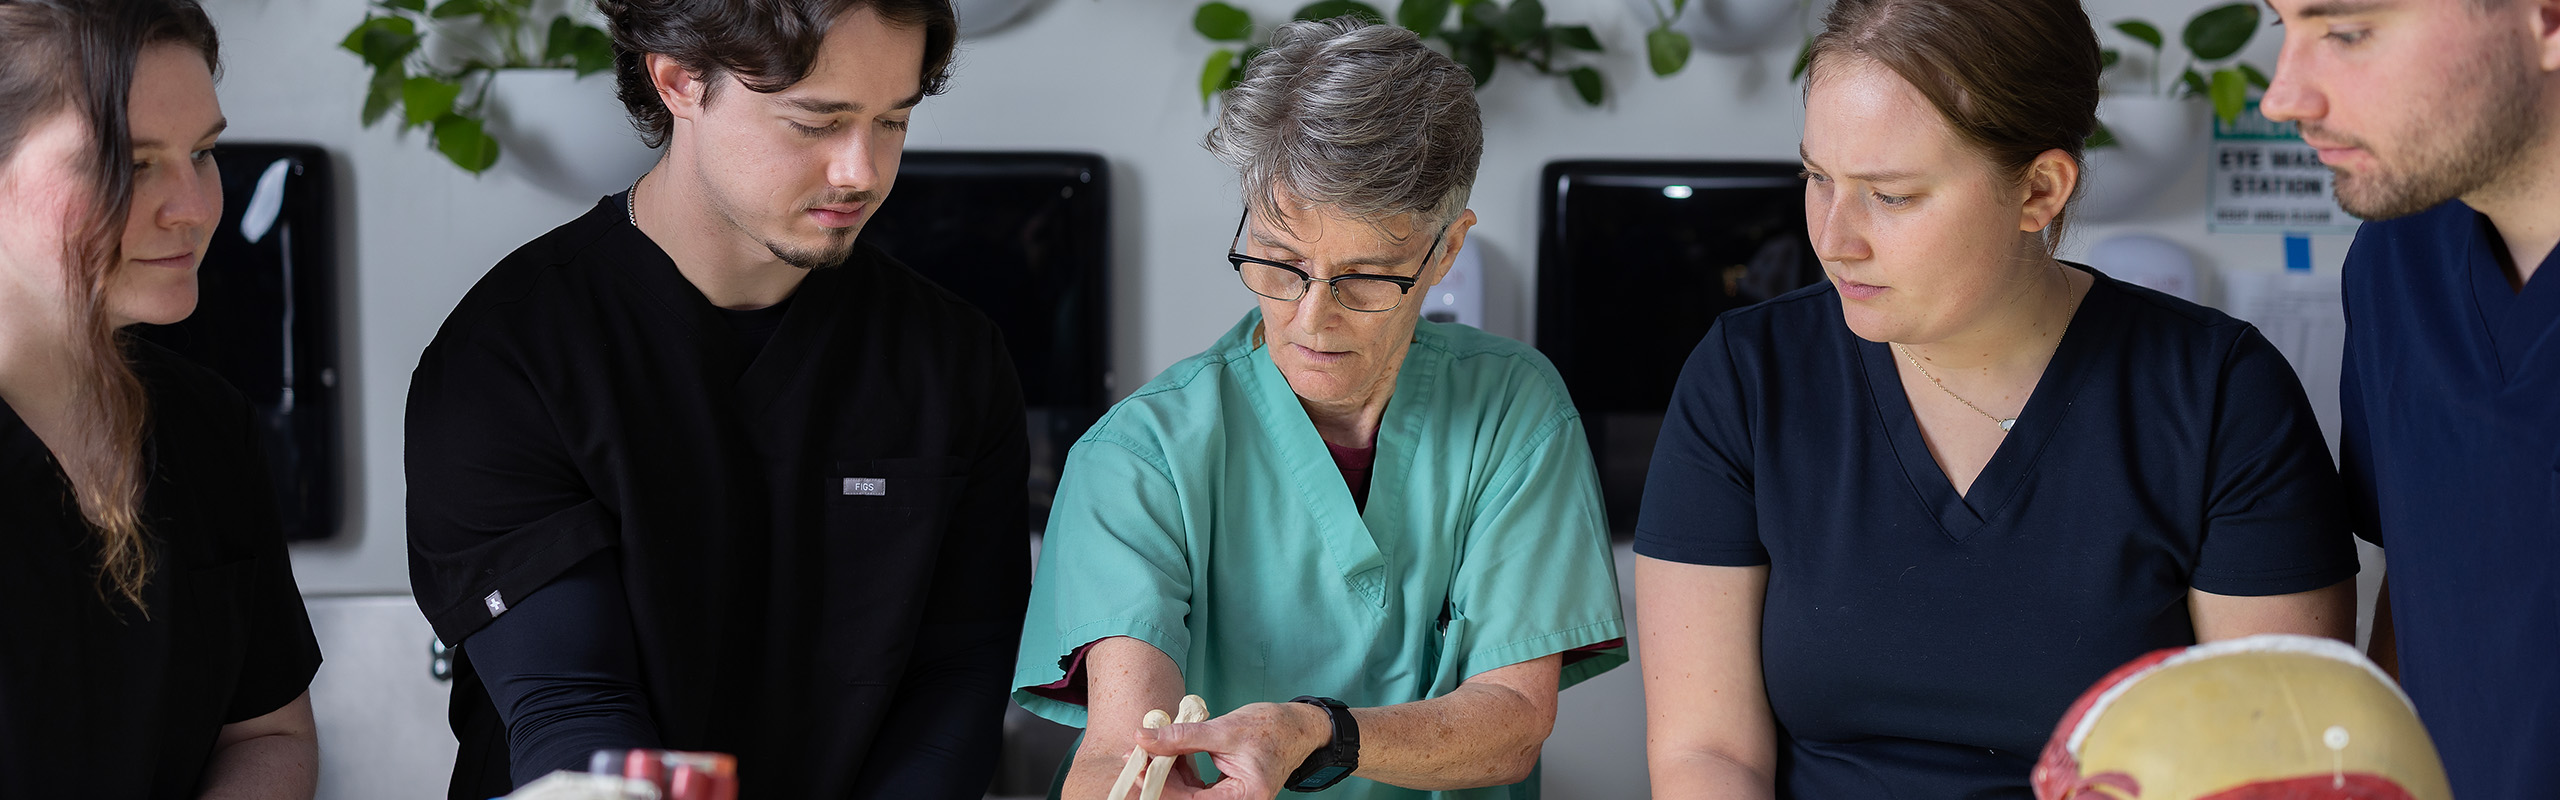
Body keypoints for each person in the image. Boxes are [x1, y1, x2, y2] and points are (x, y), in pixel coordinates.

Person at [1633, 0, 2361, 796]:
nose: (1834, 239)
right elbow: (1708, 754)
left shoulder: (2221, 394)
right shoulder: (1746, 376)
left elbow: (2272, 768)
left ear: (2040, 191)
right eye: (1818, 178)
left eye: (1892, 195)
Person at [402, 0, 1028, 796]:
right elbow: (570, 706)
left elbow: (958, 677)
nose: (861, 172)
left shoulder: (953, 360)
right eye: (816, 122)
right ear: (679, 81)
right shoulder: (508, 359)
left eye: (891, 122)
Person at [1012, 19, 1627, 800]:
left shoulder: (1513, 411)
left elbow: (1513, 722)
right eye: (1279, 263)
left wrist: (1317, 732)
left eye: (1365, 277)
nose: (1312, 319)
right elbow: (1116, 751)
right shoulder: (1138, 456)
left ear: (1445, 252)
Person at [0, 0, 322, 797]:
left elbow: (270, 734)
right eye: (134, 163)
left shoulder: (206, 426)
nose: (196, 206)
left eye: (203, 152)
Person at [2258, 1, 2560, 796]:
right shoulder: (2396, 261)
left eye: (2346, 32)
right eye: (2283, 28)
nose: (2281, 97)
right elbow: (2428, 580)